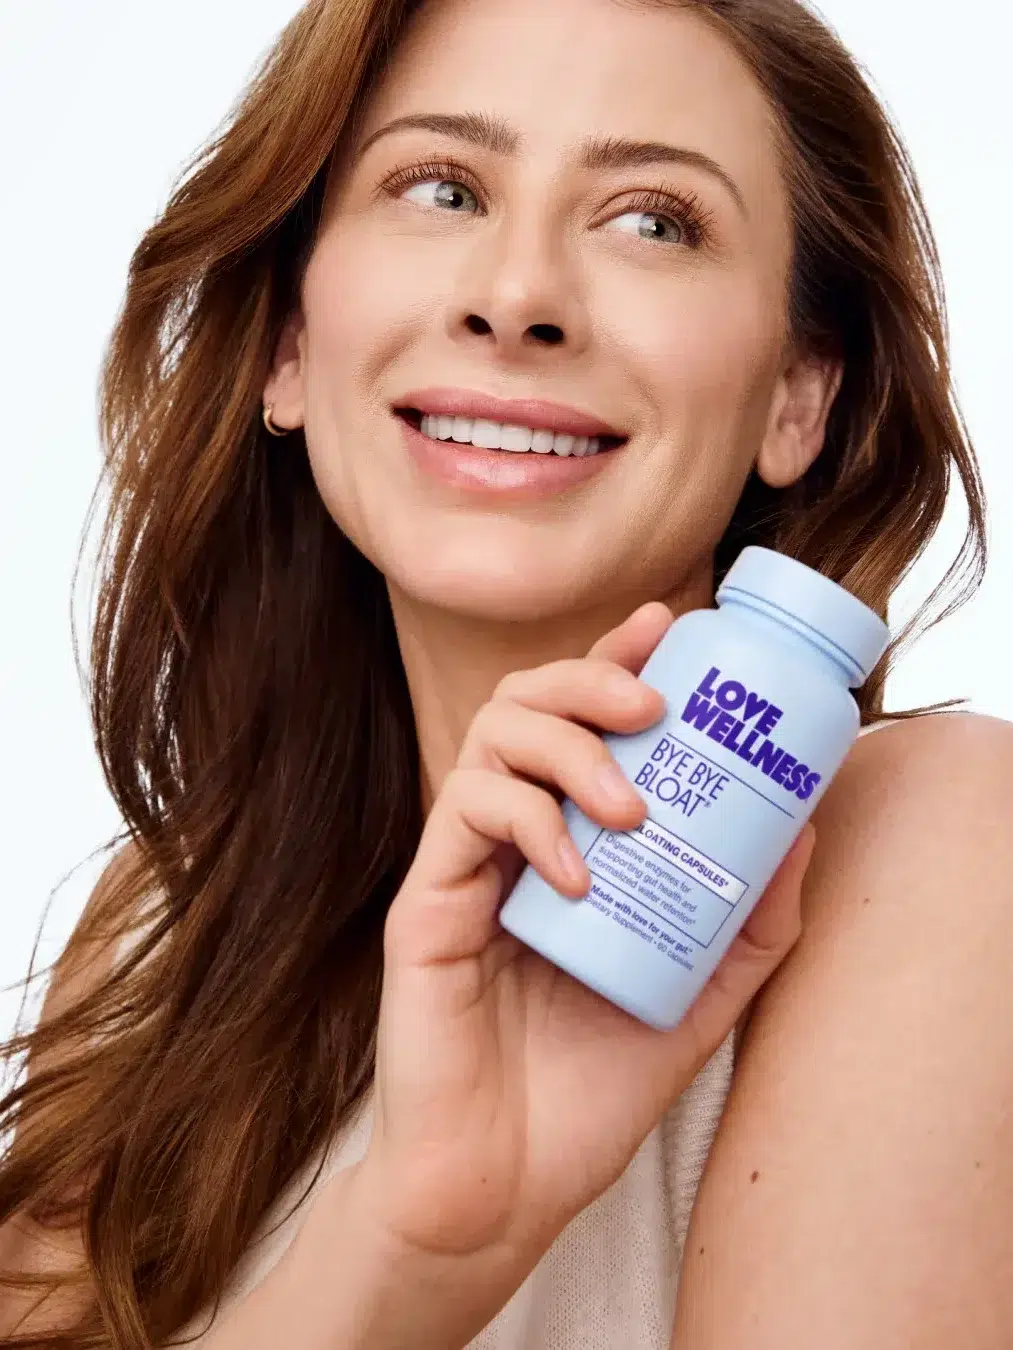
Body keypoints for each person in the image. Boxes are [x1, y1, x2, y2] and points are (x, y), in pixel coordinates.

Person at [1, 0, 1009, 1345]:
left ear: (796, 396)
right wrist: (415, 1243)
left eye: (656, 219)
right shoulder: (154, 938)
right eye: (440, 187)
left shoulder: (929, 842)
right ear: (288, 344)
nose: (519, 296)